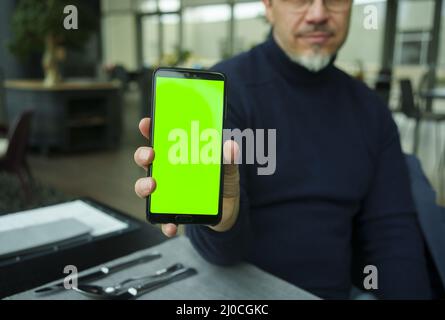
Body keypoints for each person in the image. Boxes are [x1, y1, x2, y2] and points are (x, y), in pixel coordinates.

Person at [134, 0, 432, 299]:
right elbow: (223, 256)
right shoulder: (222, 93)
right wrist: (221, 223)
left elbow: (392, 234)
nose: (318, 14)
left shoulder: (371, 109)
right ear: (268, 5)